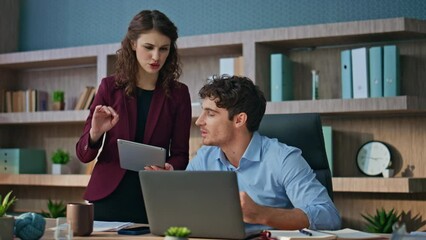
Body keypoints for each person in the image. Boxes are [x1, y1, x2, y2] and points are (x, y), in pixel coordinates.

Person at [75, 10, 192, 223]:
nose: (156, 57)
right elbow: (84, 155)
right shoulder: (109, 87)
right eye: (149, 47)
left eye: (163, 49)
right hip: (108, 197)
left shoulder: (179, 94)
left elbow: (181, 154)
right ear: (132, 44)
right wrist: (95, 132)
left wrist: (169, 168)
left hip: (154, 198)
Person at [186, 74, 341, 231]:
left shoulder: (283, 159)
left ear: (239, 120)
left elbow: (329, 216)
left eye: (210, 114)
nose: (199, 121)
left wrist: (261, 214)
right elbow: (181, 207)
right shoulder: (204, 157)